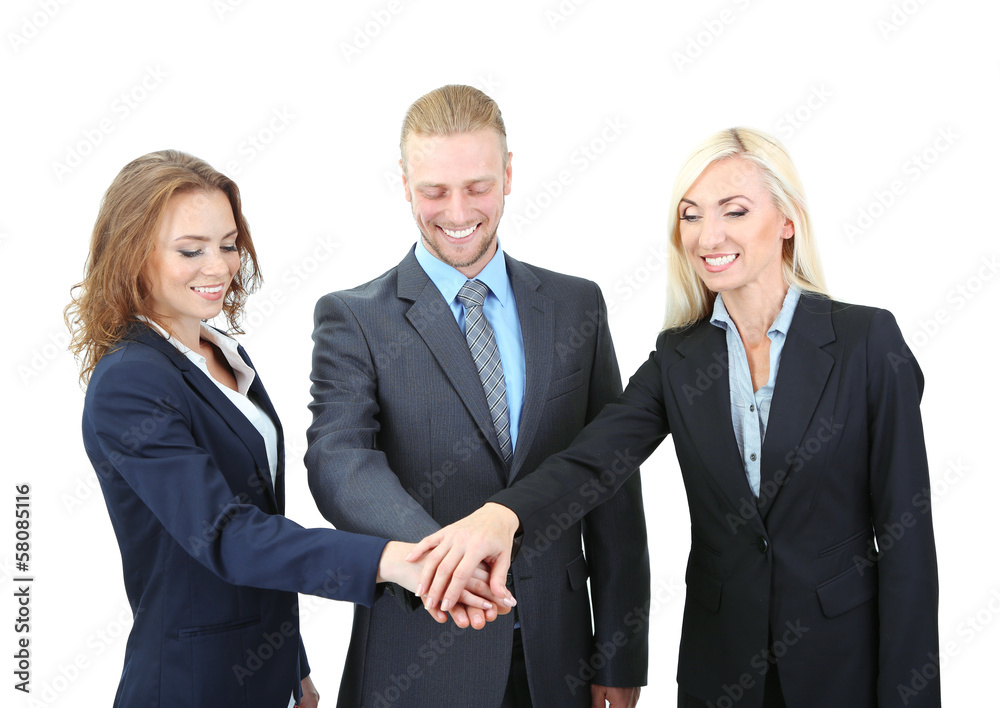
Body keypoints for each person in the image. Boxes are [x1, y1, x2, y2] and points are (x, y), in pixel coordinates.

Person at [410, 128, 941, 707]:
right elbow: (592, 464)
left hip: (844, 668)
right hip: (721, 670)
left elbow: (907, 543)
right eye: (691, 216)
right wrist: (502, 514)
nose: (708, 236)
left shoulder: (867, 342)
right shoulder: (681, 360)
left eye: (734, 211)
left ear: (788, 220)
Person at [66, 150, 504, 708]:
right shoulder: (130, 382)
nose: (219, 267)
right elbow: (226, 534)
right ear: (133, 254)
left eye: (228, 244)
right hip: (189, 684)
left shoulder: (220, 353)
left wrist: (291, 663)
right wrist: (393, 560)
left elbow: (263, 521)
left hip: (263, 674)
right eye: (190, 250)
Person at [305, 85, 650, 708]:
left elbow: (611, 482)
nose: (458, 210)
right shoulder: (353, 317)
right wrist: (447, 560)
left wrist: (621, 656)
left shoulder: (577, 305)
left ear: (510, 174)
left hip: (560, 659)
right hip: (419, 652)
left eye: (478, 186)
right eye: (434, 190)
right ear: (404, 182)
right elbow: (340, 464)